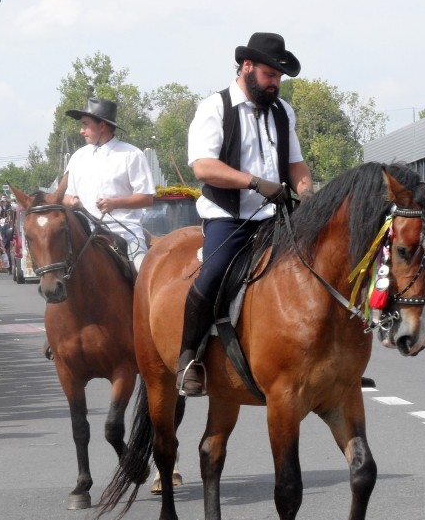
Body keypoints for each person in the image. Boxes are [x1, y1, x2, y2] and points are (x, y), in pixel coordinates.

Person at [177, 32, 314, 396]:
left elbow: (296, 165)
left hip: (277, 216)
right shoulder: (215, 108)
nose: (275, 84)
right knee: (212, 276)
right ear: (247, 67)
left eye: (279, 78)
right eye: (271, 75)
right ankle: (189, 358)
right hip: (229, 216)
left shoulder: (284, 112)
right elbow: (203, 167)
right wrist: (255, 183)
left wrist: (307, 193)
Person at [63, 97, 155, 270]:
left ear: (102, 126)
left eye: (85, 124)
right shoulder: (78, 157)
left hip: (124, 233)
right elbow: (65, 196)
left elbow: (147, 198)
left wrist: (115, 203)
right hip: (83, 234)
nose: (81, 131)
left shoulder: (131, 154)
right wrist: (71, 202)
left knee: (141, 269)